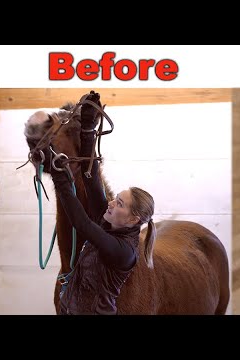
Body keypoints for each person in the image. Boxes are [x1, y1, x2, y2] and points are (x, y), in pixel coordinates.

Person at [47, 91, 157, 315]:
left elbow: (83, 224)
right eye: (116, 199)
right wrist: (88, 130)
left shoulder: (124, 251)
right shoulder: (108, 221)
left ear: (134, 219)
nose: (111, 203)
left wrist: (61, 179)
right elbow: (91, 178)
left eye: (120, 204)